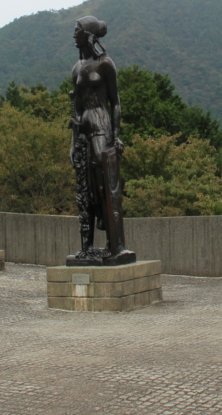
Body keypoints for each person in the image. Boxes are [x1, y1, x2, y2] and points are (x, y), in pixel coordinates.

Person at [68, 16, 135, 265]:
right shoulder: (76, 67)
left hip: (101, 126)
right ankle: (87, 246)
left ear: (87, 34)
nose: (73, 35)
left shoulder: (105, 64)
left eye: (76, 30)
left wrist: (116, 136)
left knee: (103, 186)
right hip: (83, 131)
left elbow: (115, 102)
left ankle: (113, 243)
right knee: (84, 188)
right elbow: (74, 109)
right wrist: (72, 142)